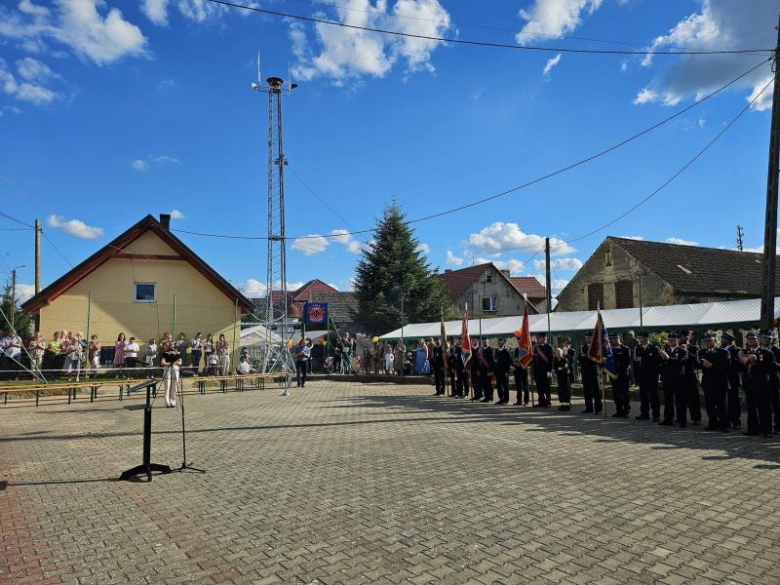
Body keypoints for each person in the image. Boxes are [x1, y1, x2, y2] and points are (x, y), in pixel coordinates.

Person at [739, 331, 774, 438]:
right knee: (751, 408)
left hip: (763, 385)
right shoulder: (744, 352)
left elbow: (769, 369)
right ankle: (752, 429)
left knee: (764, 408)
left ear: (758, 339)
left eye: (753, 339)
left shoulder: (767, 353)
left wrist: (755, 362)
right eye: (748, 339)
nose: (750, 341)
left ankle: (766, 430)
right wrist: (744, 361)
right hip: (749, 385)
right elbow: (741, 369)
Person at [698, 332, 730, 432]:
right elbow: (697, 365)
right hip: (707, 382)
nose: (707, 342)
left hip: (720, 382)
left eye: (709, 340)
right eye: (705, 341)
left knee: (722, 405)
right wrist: (703, 365)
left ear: (715, 341)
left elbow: (727, 366)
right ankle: (713, 423)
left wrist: (712, 366)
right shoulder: (702, 352)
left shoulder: (723, 352)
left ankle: (724, 425)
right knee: (709, 405)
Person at [634, 332, 661, 422]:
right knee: (643, 395)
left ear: (646, 338)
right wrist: (636, 376)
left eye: (640, 338)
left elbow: (657, 365)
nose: (639, 339)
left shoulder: (654, 348)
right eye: (639, 338)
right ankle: (644, 413)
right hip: (642, 376)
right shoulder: (638, 348)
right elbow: (636, 363)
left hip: (651, 377)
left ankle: (656, 415)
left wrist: (655, 377)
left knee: (653, 396)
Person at [678, 330, 702, 425]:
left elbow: (697, 363)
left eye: (682, 336)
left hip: (691, 376)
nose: (680, 338)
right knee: (680, 400)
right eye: (679, 337)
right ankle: (681, 419)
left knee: (693, 399)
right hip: (679, 377)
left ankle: (696, 418)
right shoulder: (676, 348)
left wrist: (686, 351)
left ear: (688, 337)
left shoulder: (694, 348)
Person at [721, 332, 743, 430]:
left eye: (723, 339)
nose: (721, 340)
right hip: (723, 379)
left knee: (734, 401)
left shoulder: (736, 350)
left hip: (733, 379)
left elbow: (738, 364)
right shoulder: (720, 350)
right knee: (726, 402)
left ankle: (736, 421)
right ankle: (727, 421)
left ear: (728, 340)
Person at [658, 333, 680, 426]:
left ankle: (680, 419)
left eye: (673, 339)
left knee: (679, 399)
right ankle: (668, 418)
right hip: (666, 378)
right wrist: (662, 358)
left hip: (677, 379)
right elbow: (660, 363)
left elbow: (678, 362)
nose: (670, 341)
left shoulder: (681, 350)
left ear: (677, 340)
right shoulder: (665, 349)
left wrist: (667, 358)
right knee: (668, 400)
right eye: (669, 339)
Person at [609, 332, 632, 418]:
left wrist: (617, 362)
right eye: (612, 339)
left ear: (619, 339)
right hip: (613, 375)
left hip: (623, 375)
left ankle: (626, 411)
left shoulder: (625, 349)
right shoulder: (610, 350)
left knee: (624, 393)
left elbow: (627, 362)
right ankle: (618, 410)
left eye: (615, 339)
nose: (613, 340)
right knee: (616, 394)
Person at [579, 333, 601, 414]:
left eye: (589, 337)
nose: (588, 339)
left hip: (594, 371)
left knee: (596, 391)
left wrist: (586, 358)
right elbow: (580, 358)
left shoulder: (596, 347)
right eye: (586, 337)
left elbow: (595, 359)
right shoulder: (583, 347)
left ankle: (598, 409)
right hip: (585, 371)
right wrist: (586, 359)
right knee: (587, 391)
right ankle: (589, 407)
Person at [533, 332, 554, 407]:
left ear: (544, 338)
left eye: (539, 338)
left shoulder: (549, 347)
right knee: (539, 387)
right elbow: (534, 359)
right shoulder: (536, 347)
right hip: (537, 371)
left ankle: (548, 402)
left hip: (545, 370)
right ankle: (541, 401)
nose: (538, 339)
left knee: (546, 387)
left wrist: (549, 370)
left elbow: (551, 360)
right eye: (537, 338)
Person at [160, 338, 181, 408]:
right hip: (167, 369)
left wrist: (175, 362)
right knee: (167, 386)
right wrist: (168, 363)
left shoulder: (177, 353)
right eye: (171, 345)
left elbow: (180, 362)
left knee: (174, 387)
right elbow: (162, 362)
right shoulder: (165, 353)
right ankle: (167, 402)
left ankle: (173, 401)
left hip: (175, 369)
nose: (172, 346)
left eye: (173, 345)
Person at [494, 338, 512, 405]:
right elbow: (495, 361)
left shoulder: (506, 351)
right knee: (499, 386)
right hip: (498, 372)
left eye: (501, 342)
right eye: (499, 342)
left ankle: (506, 400)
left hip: (504, 372)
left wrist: (507, 371)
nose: (499, 343)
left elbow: (509, 362)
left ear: (504, 343)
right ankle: (501, 398)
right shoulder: (496, 351)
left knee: (505, 387)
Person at [477, 338, 494, 403]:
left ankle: (490, 398)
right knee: (484, 384)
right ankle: (486, 397)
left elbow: (492, 361)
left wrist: (491, 371)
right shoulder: (481, 350)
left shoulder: (491, 350)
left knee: (489, 385)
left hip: (488, 370)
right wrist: (478, 370)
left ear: (488, 342)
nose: (484, 343)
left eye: (485, 342)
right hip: (482, 370)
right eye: (483, 342)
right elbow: (479, 361)